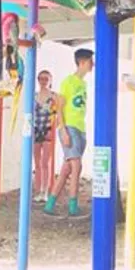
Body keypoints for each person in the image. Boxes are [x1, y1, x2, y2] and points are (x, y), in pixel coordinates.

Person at [45, 48, 93, 216]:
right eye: (89, 61)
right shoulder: (68, 82)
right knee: (76, 165)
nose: (92, 64)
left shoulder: (83, 84)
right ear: (81, 62)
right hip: (70, 127)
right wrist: (63, 129)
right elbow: (59, 106)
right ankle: (73, 205)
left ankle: (50, 204)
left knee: (66, 169)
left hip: (80, 128)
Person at [33, 70, 58, 202]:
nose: (43, 82)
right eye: (41, 79)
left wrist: (54, 128)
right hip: (36, 130)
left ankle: (45, 191)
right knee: (37, 162)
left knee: (45, 162)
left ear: (50, 81)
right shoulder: (34, 96)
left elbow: (58, 113)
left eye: (46, 79)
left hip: (47, 130)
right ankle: (38, 191)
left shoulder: (53, 96)